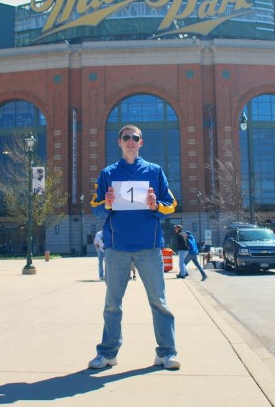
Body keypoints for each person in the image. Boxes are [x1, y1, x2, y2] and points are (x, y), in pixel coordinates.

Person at [88, 124, 180, 370]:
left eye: (135, 137)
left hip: (149, 247)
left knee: (159, 302)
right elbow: (96, 209)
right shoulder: (107, 173)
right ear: (119, 142)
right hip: (116, 248)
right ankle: (107, 353)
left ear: (141, 142)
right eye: (126, 137)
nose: (131, 140)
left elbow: (171, 205)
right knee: (112, 304)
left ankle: (167, 353)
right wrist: (107, 204)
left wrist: (156, 205)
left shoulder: (154, 171)